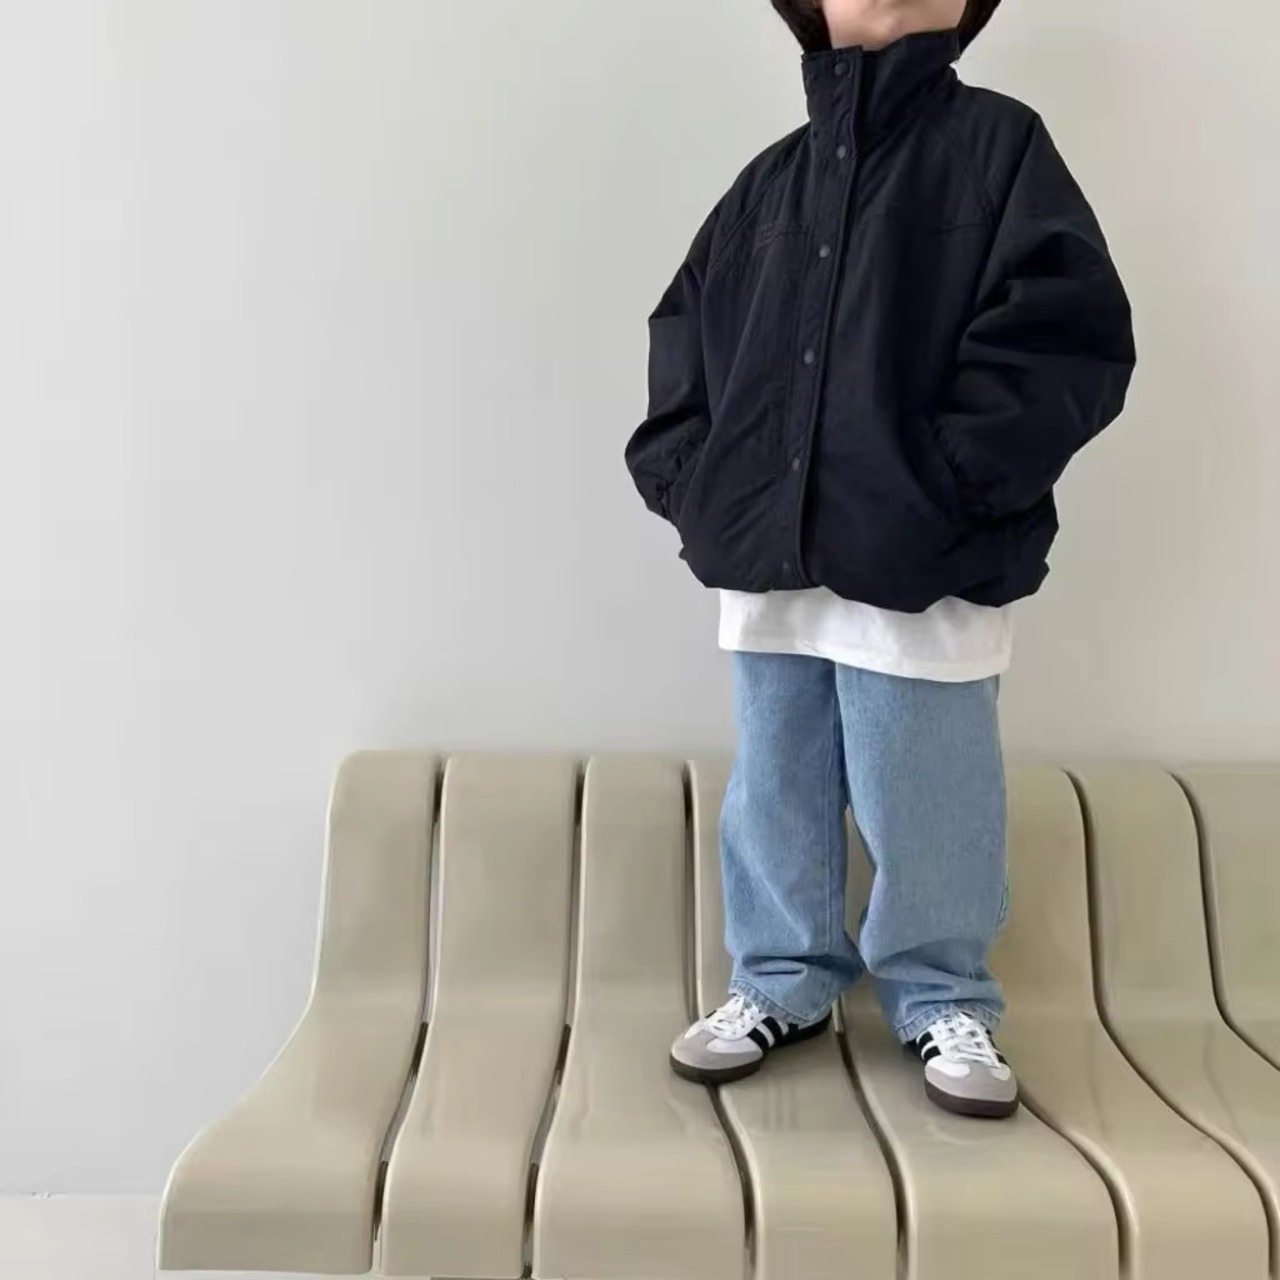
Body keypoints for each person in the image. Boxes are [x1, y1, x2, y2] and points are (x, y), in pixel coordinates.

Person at [625, 0, 1135, 1119]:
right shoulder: (767, 184)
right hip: (770, 564)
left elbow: (1068, 334)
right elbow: (684, 340)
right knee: (776, 784)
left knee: (930, 788)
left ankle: (942, 992)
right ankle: (778, 979)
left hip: (922, 566)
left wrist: (946, 487)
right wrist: (699, 489)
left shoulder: (999, 147)